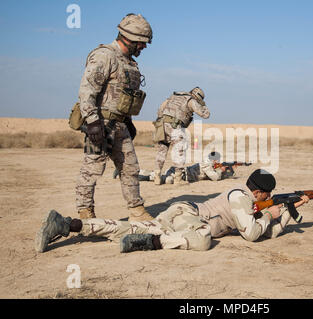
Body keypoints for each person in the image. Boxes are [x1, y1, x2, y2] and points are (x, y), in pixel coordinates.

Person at [35, 169, 310, 253]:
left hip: (181, 215)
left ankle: (68, 225)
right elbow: (252, 233)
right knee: (203, 241)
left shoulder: (241, 194)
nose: (270, 199)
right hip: (190, 217)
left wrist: (287, 212)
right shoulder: (240, 199)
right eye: (269, 195)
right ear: (260, 192)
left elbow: (264, 230)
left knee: (131, 227)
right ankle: (152, 244)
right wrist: (273, 214)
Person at [75, 13, 153, 222]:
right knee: (91, 169)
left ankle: (136, 210)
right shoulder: (104, 56)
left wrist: (128, 121)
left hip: (120, 125)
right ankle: (85, 212)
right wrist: (92, 122)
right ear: (129, 38)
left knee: (130, 168)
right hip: (100, 124)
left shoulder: (129, 62)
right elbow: (87, 91)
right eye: (142, 43)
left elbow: (121, 97)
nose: (144, 47)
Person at [152, 87, 210, 185]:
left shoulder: (173, 96)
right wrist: (204, 106)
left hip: (162, 125)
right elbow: (205, 115)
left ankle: (157, 177)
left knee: (161, 151)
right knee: (179, 151)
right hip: (176, 127)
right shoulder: (191, 101)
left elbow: (161, 109)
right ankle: (178, 179)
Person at [137, 152, 237, 184]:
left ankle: (142, 173)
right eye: (217, 161)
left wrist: (228, 171)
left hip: (182, 173)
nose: (218, 163)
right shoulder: (207, 164)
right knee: (167, 179)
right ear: (214, 160)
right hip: (181, 174)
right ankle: (143, 177)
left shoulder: (209, 164)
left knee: (164, 177)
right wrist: (221, 170)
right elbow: (215, 178)